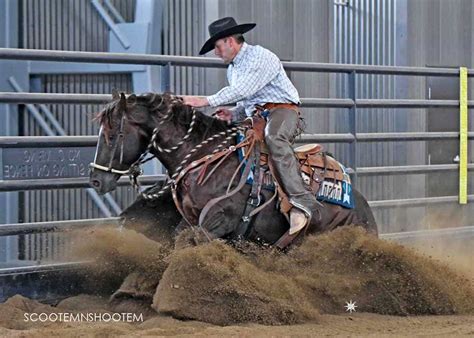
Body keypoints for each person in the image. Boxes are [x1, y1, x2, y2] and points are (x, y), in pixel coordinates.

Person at [183, 17, 320, 235]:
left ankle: (302, 202)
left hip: (282, 110)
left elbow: (244, 90)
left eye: (217, 47)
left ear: (229, 41)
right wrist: (234, 112)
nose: (216, 53)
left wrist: (204, 100)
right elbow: (245, 100)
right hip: (256, 116)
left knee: (275, 138)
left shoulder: (260, 57)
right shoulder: (234, 68)